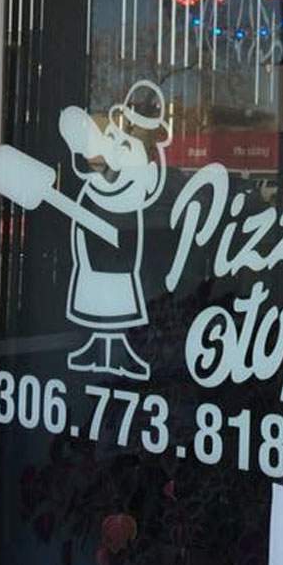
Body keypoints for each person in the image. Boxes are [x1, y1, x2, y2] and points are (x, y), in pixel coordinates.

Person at [59, 80, 171, 380]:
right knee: (97, 306)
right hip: (94, 264)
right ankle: (97, 349)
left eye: (125, 143)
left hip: (120, 266)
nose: (115, 146)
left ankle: (119, 355)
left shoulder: (134, 187)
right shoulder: (101, 181)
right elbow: (84, 169)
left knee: (118, 309)